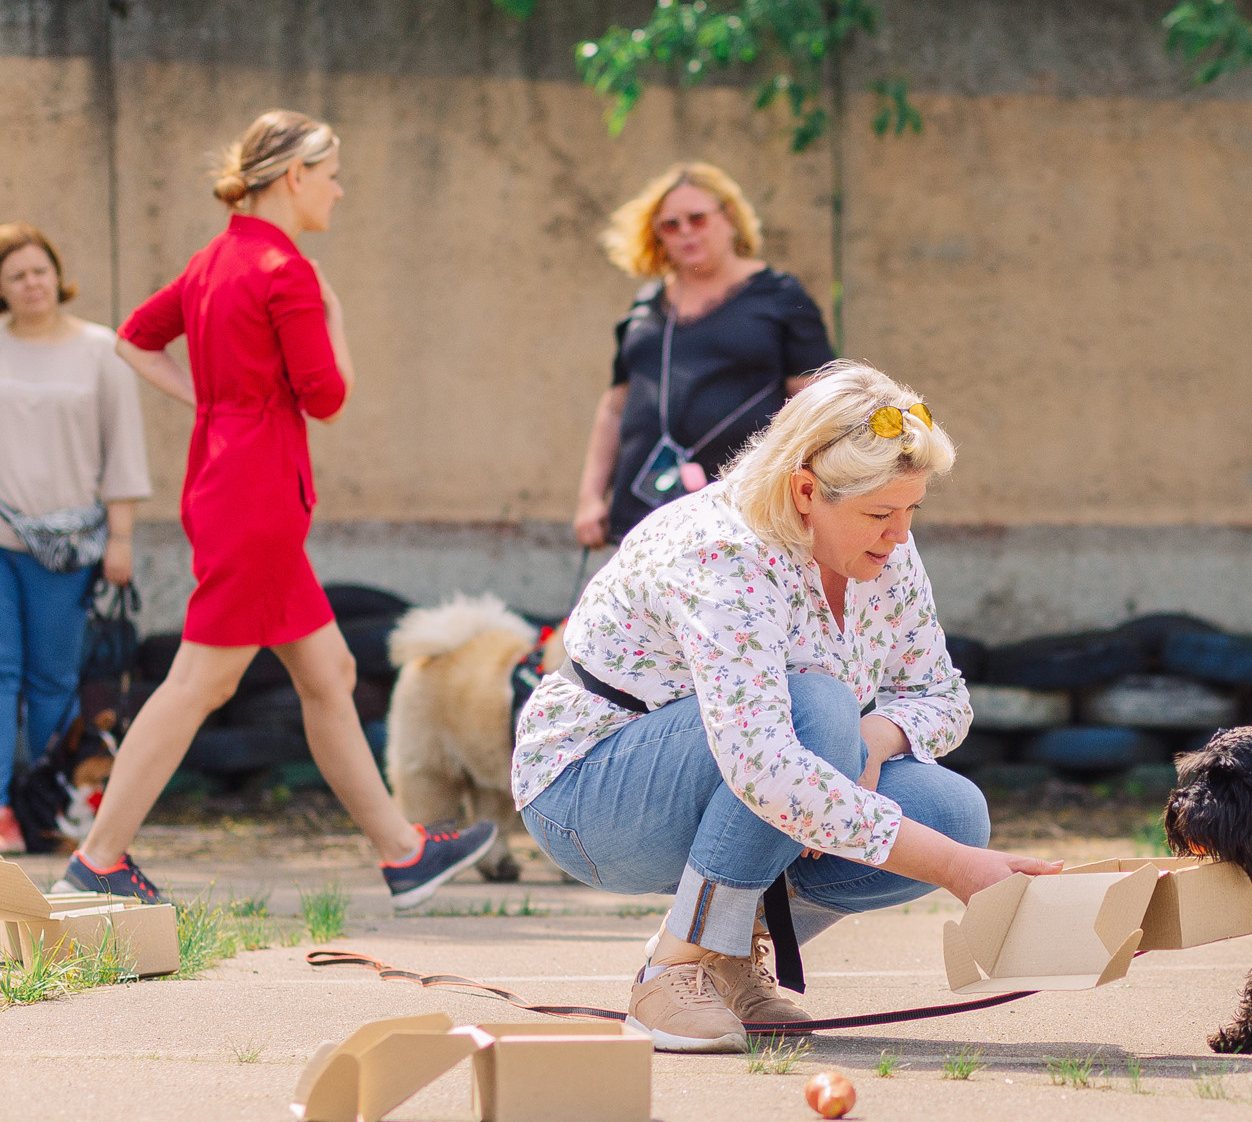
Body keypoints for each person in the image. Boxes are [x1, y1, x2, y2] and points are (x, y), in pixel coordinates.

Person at [516, 360, 1058, 1053]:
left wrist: (876, 739)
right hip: (588, 793)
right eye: (881, 514)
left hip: (739, 771)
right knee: (818, 712)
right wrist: (953, 868)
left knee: (954, 813)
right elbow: (765, 766)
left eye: (912, 510)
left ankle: (729, 951)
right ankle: (671, 971)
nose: (899, 535)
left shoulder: (884, 545)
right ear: (805, 490)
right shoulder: (722, 550)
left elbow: (941, 696)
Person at [56, 109, 495, 905]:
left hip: (226, 482)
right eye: (331, 174)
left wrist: (212, 403)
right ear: (295, 176)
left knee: (329, 669)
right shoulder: (287, 271)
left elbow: (132, 337)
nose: (338, 189)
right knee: (199, 683)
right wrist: (334, 314)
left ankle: (402, 852)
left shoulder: (211, 261)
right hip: (257, 498)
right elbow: (326, 395)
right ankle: (99, 856)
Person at [572, 162, 835, 550]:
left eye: (697, 218)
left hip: (744, 519)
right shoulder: (645, 305)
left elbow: (816, 405)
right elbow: (614, 407)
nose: (686, 232)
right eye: (670, 225)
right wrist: (589, 499)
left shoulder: (781, 296)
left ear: (729, 218)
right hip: (644, 516)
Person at [0, 224, 151, 854]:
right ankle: (2, 809)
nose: (31, 284)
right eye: (16, 276)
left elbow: (123, 448)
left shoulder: (101, 350)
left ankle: (51, 804)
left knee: (54, 679)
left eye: (39, 271)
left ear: (56, 275)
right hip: (1, 536)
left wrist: (120, 538)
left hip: (71, 546)